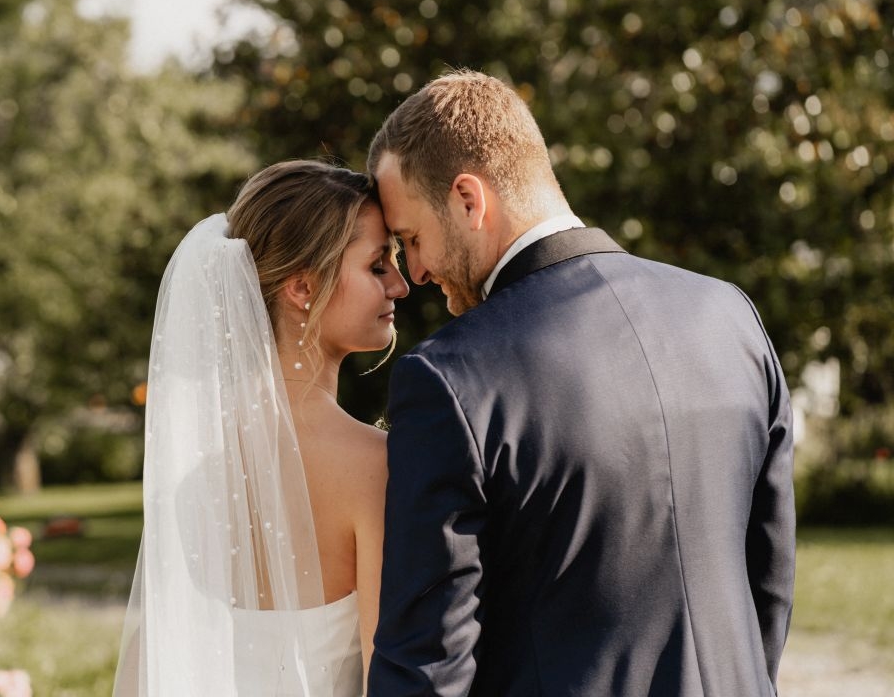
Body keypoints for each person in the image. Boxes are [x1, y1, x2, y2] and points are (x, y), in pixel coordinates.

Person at [366, 71, 796, 696]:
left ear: (468, 199)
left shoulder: (450, 379)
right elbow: (769, 581)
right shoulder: (732, 316)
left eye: (411, 239)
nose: (419, 269)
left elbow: (428, 667)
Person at [113, 160, 408, 696]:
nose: (401, 285)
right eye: (377, 265)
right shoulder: (376, 467)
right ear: (302, 288)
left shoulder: (194, 478)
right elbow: (387, 678)